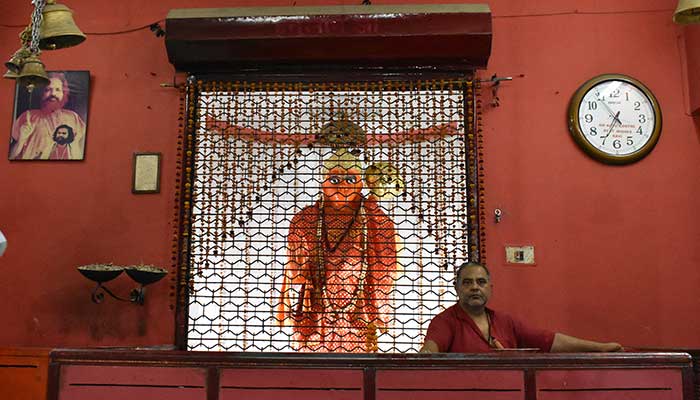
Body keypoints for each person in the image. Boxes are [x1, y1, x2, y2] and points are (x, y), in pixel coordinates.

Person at [277, 148, 398, 352]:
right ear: (322, 182)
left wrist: (375, 210)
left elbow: (388, 266)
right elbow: (295, 269)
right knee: (315, 361)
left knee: (358, 365)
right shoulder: (305, 218)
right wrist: (299, 285)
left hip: (358, 305)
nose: (342, 185)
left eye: (350, 179)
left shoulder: (375, 218)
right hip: (318, 307)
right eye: (334, 179)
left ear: (361, 182)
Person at [420, 262, 623, 353]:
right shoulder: (445, 322)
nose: (474, 287)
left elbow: (549, 340)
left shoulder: (505, 322)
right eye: (467, 282)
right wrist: (425, 357)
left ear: (490, 288)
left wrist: (601, 347)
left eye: (481, 282)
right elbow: (430, 350)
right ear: (456, 288)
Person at [9, 72, 86, 160]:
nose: (53, 94)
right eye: (47, 89)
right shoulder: (28, 116)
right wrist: (21, 140)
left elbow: (79, 153)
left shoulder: (73, 117)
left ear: (63, 93)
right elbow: (11, 157)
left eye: (58, 90)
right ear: (42, 93)